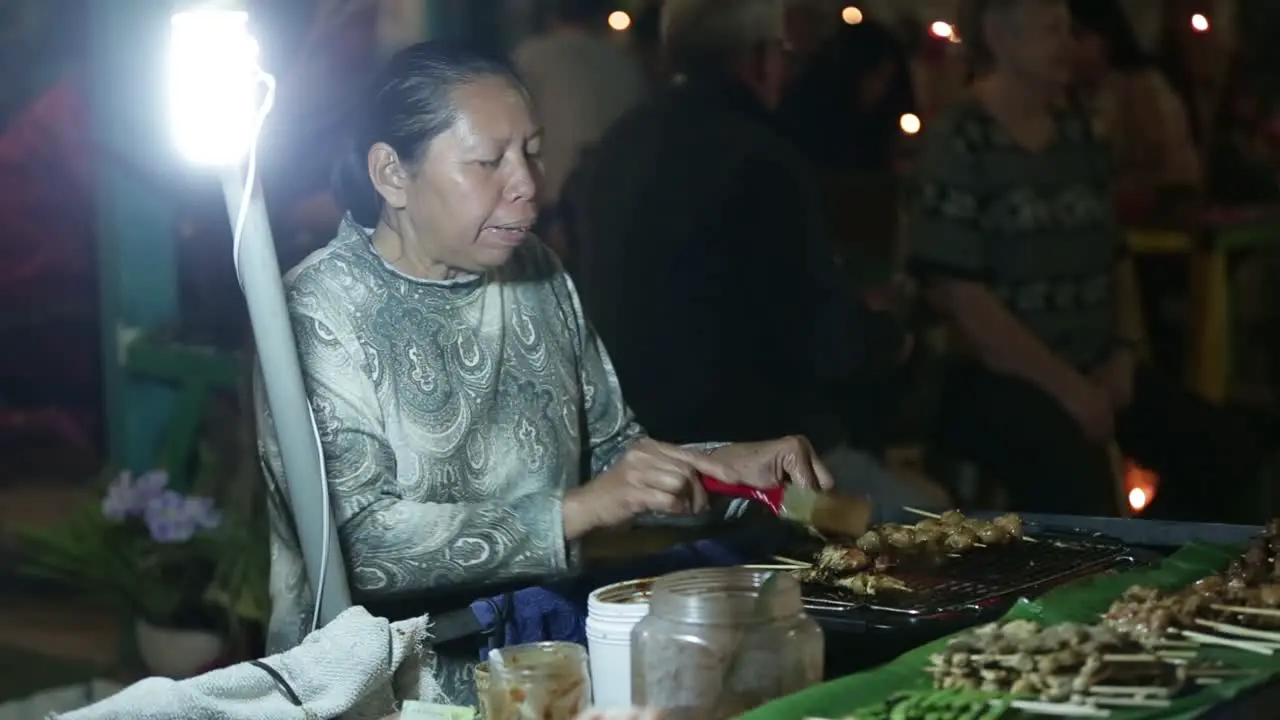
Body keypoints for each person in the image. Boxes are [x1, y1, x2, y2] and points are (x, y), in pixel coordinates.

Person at [256, 41, 836, 705]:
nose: (528, 181)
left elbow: (615, 458)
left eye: (531, 150)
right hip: (379, 694)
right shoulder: (317, 310)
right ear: (392, 174)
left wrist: (723, 469)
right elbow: (359, 546)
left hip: (541, 669)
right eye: (487, 161)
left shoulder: (536, 273)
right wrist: (574, 513)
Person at [565, 0, 948, 510]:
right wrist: (893, 339)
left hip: (632, 451)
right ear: (760, 59)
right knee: (933, 520)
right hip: (748, 466)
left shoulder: (618, 145)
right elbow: (820, 338)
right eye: (785, 54)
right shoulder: (761, 159)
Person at [910, 0, 1263, 521]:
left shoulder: (1079, 133)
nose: (1068, 45)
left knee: (1229, 452)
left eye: (1069, 29)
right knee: (1074, 477)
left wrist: (1122, 354)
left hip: (1098, 366)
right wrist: (1068, 389)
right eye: (1052, 30)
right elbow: (966, 300)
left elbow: (1114, 259)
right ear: (1000, 36)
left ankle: (1166, 579)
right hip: (999, 377)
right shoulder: (960, 140)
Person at [511, 0, 646, 219]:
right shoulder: (624, 63)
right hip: (618, 196)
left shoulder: (532, 57)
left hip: (552, 198)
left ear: (552, 16)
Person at [1069, 0, 1199, 199]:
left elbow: (1154, 163)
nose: (1067, 46)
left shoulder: (1140, 87)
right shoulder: (1066, 92)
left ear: (1107, 37)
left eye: (1078, 35)